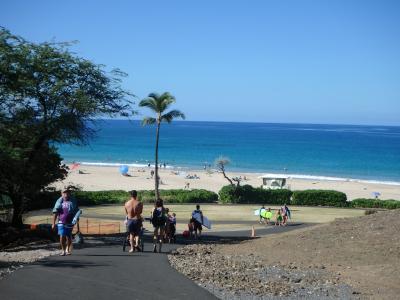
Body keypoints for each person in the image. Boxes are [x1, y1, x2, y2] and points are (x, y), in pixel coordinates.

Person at [52, 189, 79, 256]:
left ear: (69, 194)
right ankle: (63, 250)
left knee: (68, 236)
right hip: (61, 221)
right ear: (61, 194)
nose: (65, 194)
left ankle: (67, 249)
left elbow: (77, 212)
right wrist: (53, 223)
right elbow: (55, 213)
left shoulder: (73, 201)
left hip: (70, 221)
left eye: (67, 193)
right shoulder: (59, 202)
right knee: (62, 235)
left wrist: (77, 220)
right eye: (64, 193)